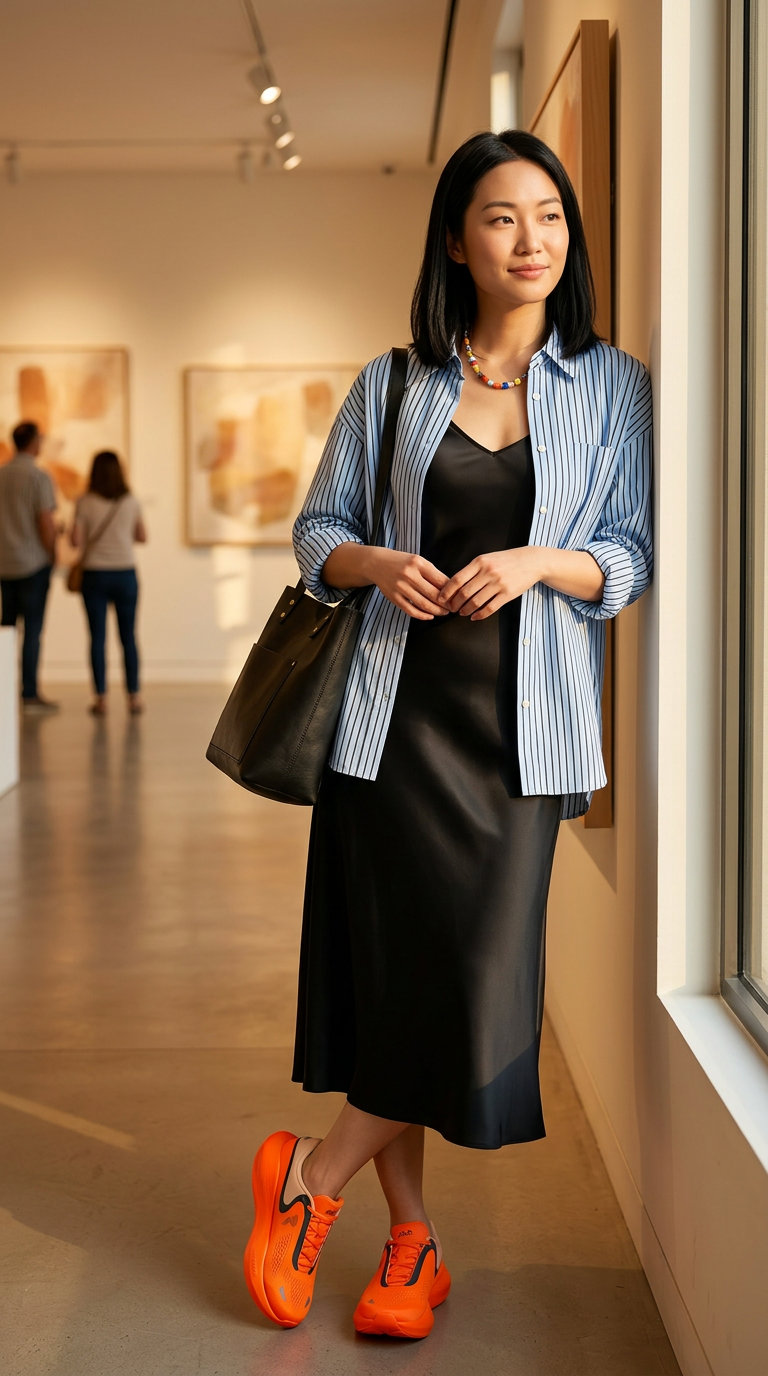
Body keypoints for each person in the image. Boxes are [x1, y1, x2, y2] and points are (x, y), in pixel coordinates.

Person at [242, 129, 653, 1339]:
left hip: (521, 739)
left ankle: (308, 1179)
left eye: (550, 218)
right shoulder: (395, 382)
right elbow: (317, 533)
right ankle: (408, 1248)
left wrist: (538, 561)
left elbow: (629, 556)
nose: (531, 241)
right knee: (398, 991)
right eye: (501, 218)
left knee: (471, 987)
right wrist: (380, 563)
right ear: (458, 239)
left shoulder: (613, 385)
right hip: (390, 727)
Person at [70, 450, 146, 716]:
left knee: (97, 638)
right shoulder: (131, 501)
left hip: (95, 575)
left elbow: (76, 542)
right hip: (125, 574)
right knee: (128, 637)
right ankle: (134, 697)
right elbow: (142, 536)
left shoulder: (84, 502)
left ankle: (101, 698)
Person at [0, 420, 59, 713]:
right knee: (32, 631)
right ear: (34, 442)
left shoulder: (2, 474)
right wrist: (52, 553)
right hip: (33, 564)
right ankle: (29, 693)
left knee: (6, 630)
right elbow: (45, 521)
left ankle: (3, 690)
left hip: (5, 564)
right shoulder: (38, 476)